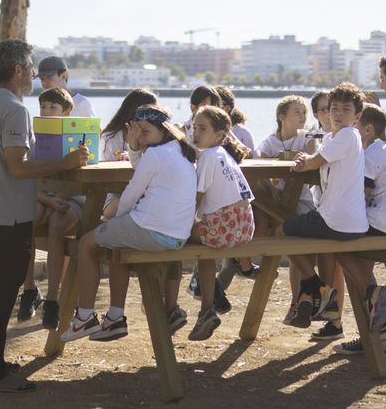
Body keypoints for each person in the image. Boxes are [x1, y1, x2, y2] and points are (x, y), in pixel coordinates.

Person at [0, 40, 89, 393]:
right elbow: (17, 167)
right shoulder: (15, 110)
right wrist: (65, 163)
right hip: (8, 214)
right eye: (31, 67)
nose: (35, 73)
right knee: (0, 291)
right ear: (18, 70)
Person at [62, 105, 196, 343]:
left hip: (150, 230)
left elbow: (130, 197)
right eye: (137, 132)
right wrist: (135, 147)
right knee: (115, 244)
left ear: (163, 130)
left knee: (86, 244)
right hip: (176, 236)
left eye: (146, 132)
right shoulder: (178, 151)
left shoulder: (155, 155)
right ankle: (114, 318)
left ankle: (84, 317)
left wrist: (111, 220)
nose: (141, 136)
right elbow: (142, 170)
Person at [281, 82, 371, 327]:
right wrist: (309, 159)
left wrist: (305, 161)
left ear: (357, 116)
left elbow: (315, 162)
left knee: (281, 232)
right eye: (334, 109)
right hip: (351, 222)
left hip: (335, 219)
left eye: (345, 109)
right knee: (325, 246)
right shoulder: (335, 137)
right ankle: (330, 303)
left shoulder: (347, 135)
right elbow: (317, 158)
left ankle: (317, 288)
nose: (338, 114)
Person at [333, 104, 386, 358]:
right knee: (378, 261)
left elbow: (361, 194)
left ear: (367, 129)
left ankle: (372, 297)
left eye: (355, 125)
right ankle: (380, 328)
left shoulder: (371, 155)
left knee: (336, 242)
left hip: (385, 222)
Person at [186, 106, 257, 340]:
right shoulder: (225, 155)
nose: (195, 133)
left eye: (202, 128)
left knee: (175, 236)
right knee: (205, 251)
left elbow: (196, 198)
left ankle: (177, 306)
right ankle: (207, 308)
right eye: (194, 127)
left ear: (219, 135)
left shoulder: (207, 156)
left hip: (224, 230)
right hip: (244, 228)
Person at [17, 86, 79, 322]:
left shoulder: (77, 136)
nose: (46, 111)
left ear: (66, 112)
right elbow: (26, 176)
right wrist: (46, 199)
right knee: (27, 219)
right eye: (43, 106)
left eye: (53, 107)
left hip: (69, 199)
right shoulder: (34, 137)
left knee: (57, 224)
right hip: (42, 196)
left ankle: (53, 298)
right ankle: (29, 288)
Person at [99, 88, 158, 162]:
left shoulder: (158, 134)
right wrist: (127, 157)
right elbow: (111, 170)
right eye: (151, 112)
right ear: (134, 112)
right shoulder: (111, 137)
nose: (155, 116)